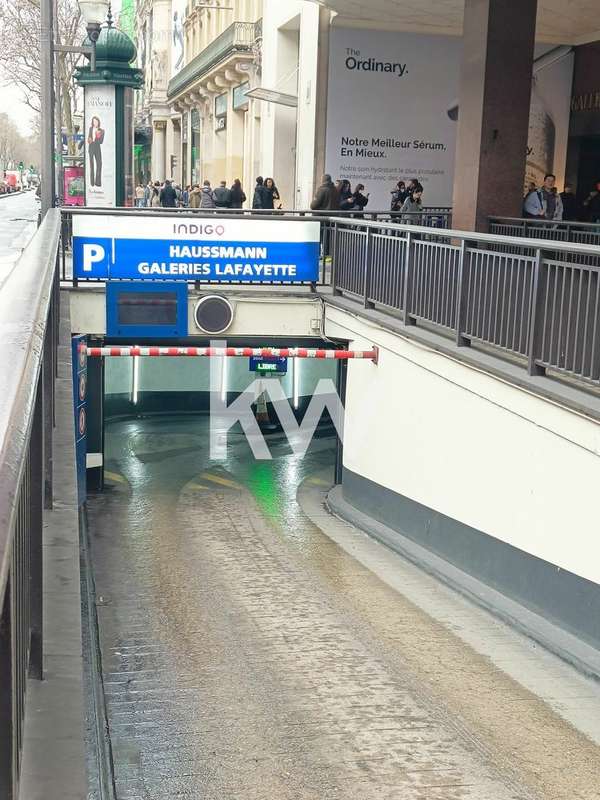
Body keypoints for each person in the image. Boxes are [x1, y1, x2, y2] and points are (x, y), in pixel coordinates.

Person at [87, 116, 104, 187]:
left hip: (97, 147)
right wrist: (89, 139)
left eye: (96, 121)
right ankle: (92, 182)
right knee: (91, 165)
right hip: (91, 146)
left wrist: (98, 136)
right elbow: (89, 138)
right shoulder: (90, 129)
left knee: (99, 164)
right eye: (94, 121)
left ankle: (98, 182)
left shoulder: (102, 130)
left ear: (98, 122)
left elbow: (101, 142)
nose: (95, 123)